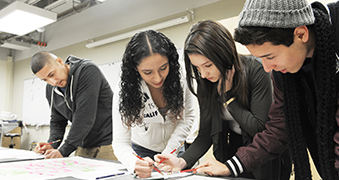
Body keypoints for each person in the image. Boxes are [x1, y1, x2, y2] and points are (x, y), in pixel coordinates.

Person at [193, 0, 339, 179]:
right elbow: (278, 128)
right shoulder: (283, 74)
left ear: (301, 34)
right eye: (260, 58)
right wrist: (232, 166)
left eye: (270, 56)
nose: (267, 68)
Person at [155, 20, 291, 179]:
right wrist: (182, 161)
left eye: (208, 65)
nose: (204, 74)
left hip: (263, 155)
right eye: (198, 68)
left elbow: (259, 129)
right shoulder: (206, 81)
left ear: (224, 54)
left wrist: (228, 97)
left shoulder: (257, 70)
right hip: (232, 150)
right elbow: (205, 134)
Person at [112, 30, 196, 178]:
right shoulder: (124, 90)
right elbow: (120, 141)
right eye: (148, 72)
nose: (157, 78)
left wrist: (170, 151)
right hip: (140, 151)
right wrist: (133, 162)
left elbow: (186, 119)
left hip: (174, 148)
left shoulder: (181, 80)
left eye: (163, 68)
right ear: (135, 69)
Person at [31, 51, 117, 161]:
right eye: (45, 80)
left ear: (59, 61)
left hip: (109, 141)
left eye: (51, 74)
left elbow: (84, 117)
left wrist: (64, 150)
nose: (53, 82)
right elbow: (57, 121)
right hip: (83, 143)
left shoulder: (87, 71)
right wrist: (52, 144)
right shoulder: (51, 89)